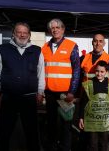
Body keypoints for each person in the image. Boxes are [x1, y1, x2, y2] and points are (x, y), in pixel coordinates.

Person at [0, 22, 45, 151]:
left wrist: (40, 93)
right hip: (9, 98)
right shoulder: (2, 50)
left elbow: (41, 73)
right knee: (5, 131)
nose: (22, 35)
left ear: (29, 34)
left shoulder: (37, 51)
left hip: (29, 98)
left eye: (25, 32)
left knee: (32, 132)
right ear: (13, 33)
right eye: (19, 32)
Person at [41, 18, 80, 151]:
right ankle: (51, 146)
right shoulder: (44, 47)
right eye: (53, 28)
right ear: (49, 30)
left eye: (58, 27)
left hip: (65, 94)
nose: (55, 30)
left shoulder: (72, 45)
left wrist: (72, 92)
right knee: (51, 122)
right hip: (50, 93)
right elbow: (40, 71)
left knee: (66, 123)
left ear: (63, 29)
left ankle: (65, 148)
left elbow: (76, 70)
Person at [79, 60, 109, 151]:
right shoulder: (88, 85)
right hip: (92, 121)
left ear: (106, 72)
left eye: (102, 71)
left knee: (103, 144)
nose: (99, 74)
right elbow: (83, 102)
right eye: (97, 71)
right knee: (92, 144)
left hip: (105, 121)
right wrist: (81, 118)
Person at [80, 34, 109, 107]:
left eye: (100, 41)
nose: (98, 44)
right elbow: (78, 77)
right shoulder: (83, 58)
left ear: (104, 43)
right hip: (86, 96)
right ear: (92, 42)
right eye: (95, 41)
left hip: (104, 97)